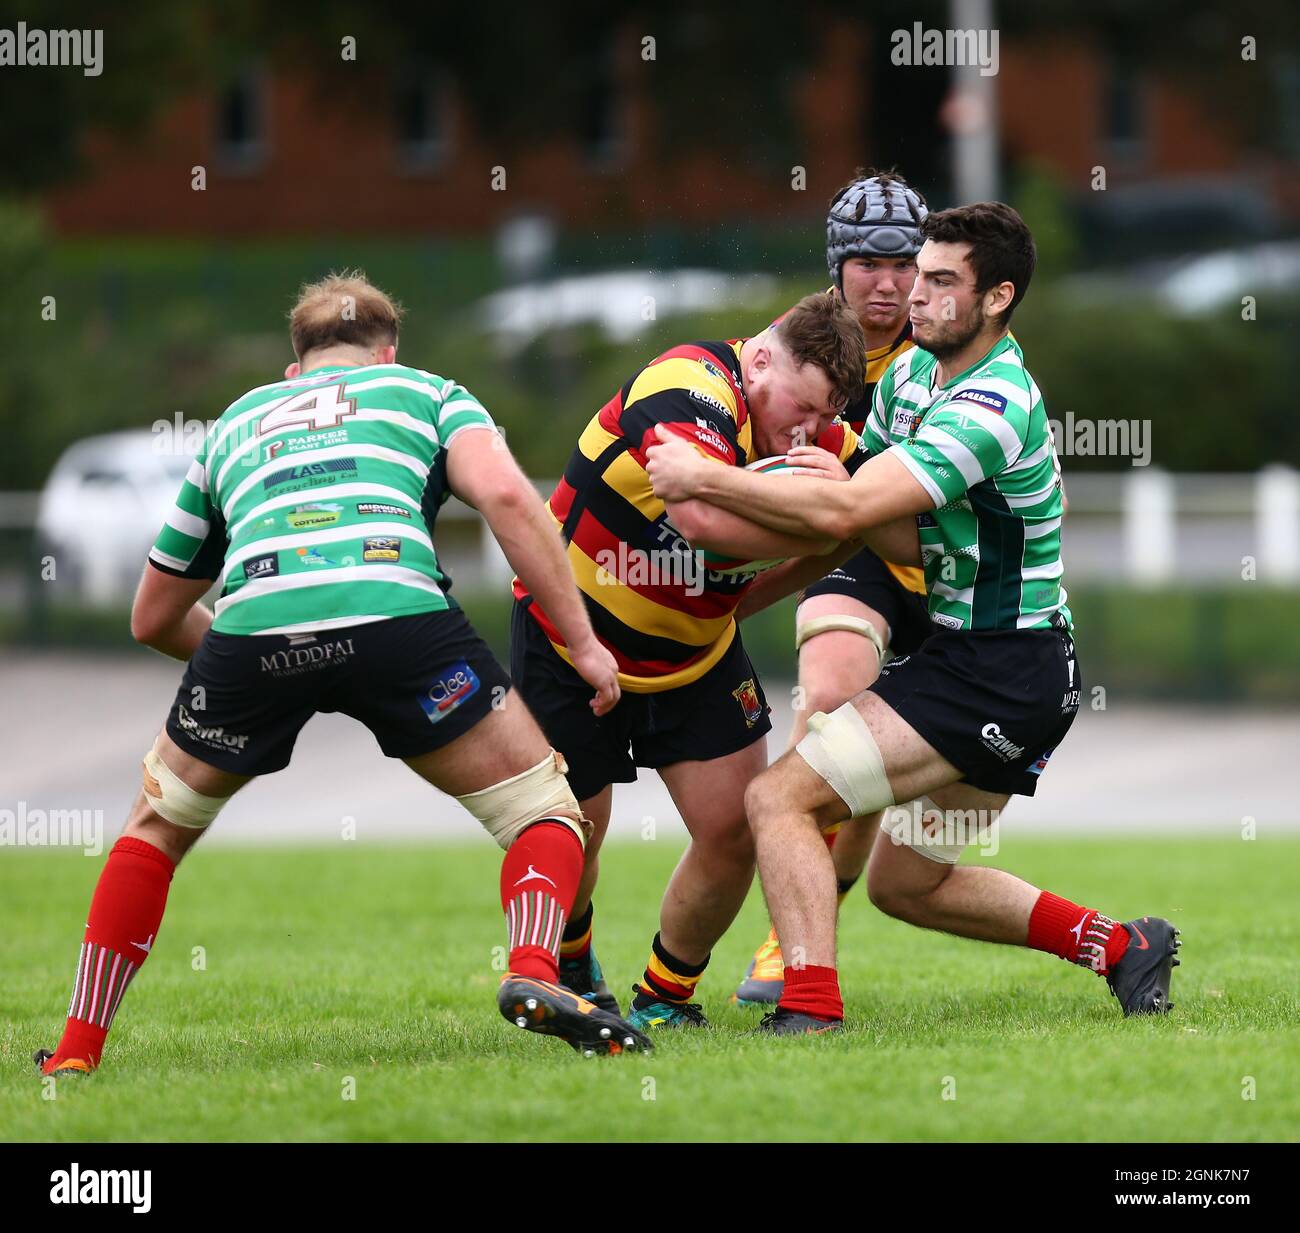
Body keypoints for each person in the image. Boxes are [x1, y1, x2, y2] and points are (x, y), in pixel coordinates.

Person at [34, 270, 651, 1077]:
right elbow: (505, 495)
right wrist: (584, 643)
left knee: (153, 832)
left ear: (296, 367)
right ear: (387, 353)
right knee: (543, 807)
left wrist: (252, 662)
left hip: (253, 633)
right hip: (402, 622)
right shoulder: (425, 392)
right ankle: (534, 972)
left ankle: (76, 1052)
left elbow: (151, 615)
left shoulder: (236, 422)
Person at [647, 204, 1179, 1034]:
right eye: (916, 273)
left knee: (777, 800)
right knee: (908, 884)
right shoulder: (907, 380)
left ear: (997, 297)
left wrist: (701, 478)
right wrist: (783, 549)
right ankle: (1121, 946)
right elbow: (889, 529)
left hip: (1002, 669)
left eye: (940, 281)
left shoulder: (992, 405)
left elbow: (853, 505)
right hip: (994, 666)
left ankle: (809, 1004)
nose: (913, 296)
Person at [512, 292, 913, 1031]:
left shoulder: (820, 441)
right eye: (804, 406)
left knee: (734, 827)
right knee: (577, 829)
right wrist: (829, 516)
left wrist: (826, 537)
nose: (811, 431)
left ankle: (666, 996)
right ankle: (572, 960)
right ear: (759, 360)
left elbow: (877, 529)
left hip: (695, 656)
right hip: (574, 639)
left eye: (827, 416)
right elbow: (699, 522)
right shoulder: (689, 384)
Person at [732, 169, 935, 1005]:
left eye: (905, 265)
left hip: (939, 566)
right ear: (836, 266)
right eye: (868, 265)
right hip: (850, 555)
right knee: (830, 699)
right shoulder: (794, 347)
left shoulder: (951, 344)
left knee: (891, 800)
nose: (888, 283)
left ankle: (827, 903)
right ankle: (789, 937)